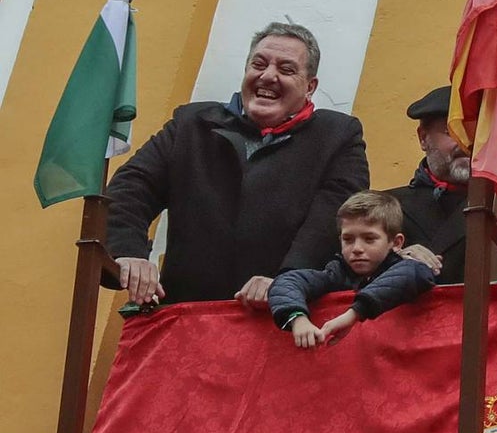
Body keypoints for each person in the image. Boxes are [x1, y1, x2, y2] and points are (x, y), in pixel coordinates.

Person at [105, 22, 369, 306]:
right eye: (259, 64)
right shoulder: (191, 124)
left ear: (310, 87)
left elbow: (336, 216)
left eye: (286, 69)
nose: (268, 76)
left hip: (284, 320)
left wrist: (288, 280)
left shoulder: (339, 136)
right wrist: (129, 252)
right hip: (186, 317)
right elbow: (131, 187)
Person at [268, 191, 436, 348]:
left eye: (369, 239)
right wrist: (298, 319)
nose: (357, 248)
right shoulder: (337, 272)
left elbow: (415, 271)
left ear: (396, 242)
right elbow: (287, 281)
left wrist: (353, 314)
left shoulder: (407, 268)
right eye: (348, 239)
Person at [386, 86, 470, 285]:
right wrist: (393, 263)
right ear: (423, 138)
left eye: (475, 131)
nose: (466, 143)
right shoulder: (386, 208)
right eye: (452, 131)